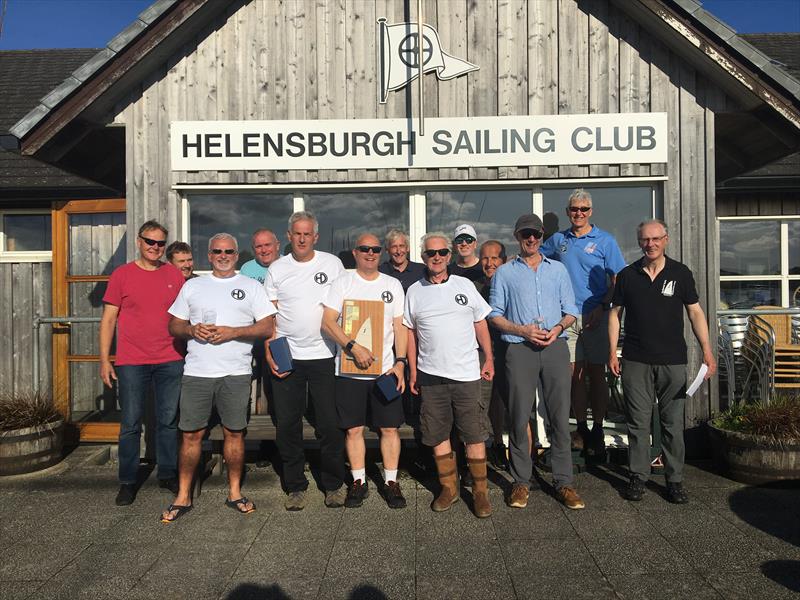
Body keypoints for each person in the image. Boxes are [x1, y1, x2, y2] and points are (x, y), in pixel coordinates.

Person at [160, 233, 276, 523]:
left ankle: (235, 492)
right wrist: (191, 330)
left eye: (229, 251)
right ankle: (183, 495)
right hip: (197, 372)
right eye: (217, 251)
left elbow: (266, 327)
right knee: (191, 434)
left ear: (237, 255)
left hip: (235, 373)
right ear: (209, 255)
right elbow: (174, 324)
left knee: (234, 433)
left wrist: (234, 332)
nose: (223, 255)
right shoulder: (193, 286)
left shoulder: (250, 286)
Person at [608, 219, 716, 504]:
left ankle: (675, 480)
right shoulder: (627, 275)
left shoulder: (680, 273)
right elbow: (614, 315)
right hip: (636, 360)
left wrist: (707, 350)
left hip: (672, 361)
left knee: (671, 425)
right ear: (639, 241)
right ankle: (637, 477)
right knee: (637, 424)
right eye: (645, 239)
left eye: (656, 239)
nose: (651, 244)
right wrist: (611, 352)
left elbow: (695, 313)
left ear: (666, 240)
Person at [489, 214, 585, 510]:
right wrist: (522, 330)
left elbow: (571, 310)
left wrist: (557, 329)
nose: (531, 239)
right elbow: (494, 314)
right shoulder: (504, 273)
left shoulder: (558, 270)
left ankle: (564, 482)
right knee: (519, 416)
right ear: (517, 237)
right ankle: (520, 481)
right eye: (525, 234)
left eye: (536, 234)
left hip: (555, 347)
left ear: (542, 237)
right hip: (519, 349)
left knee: (558, 417)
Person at [405, 232, 495, 518]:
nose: (437, 257)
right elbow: (410, 333)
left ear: (449, 255)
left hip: (467, 374)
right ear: (423, 257)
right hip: (431, 376)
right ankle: (449, 488)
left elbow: (480, 323)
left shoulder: (465, 285)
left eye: (442, 252)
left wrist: (489, 357)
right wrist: (412, 370)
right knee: (438, 434)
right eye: (431, 253)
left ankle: (480, 492)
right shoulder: (414, 291)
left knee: (474, 434)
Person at [265, 210, 348, 511]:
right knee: (287, 424)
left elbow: (344, 308)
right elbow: (269, 316)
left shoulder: (332, 264)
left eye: (307, 234)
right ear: (289, 236)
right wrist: (269, 349)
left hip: (325, 355)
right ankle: (296, 486)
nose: (301, 238)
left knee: (328, 423)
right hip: (288, 355)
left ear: (315, 236)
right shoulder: (277, 268)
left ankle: (333, 485)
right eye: (296, 233)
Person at [99, 220, 184, 506]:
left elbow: (185, 316)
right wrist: (104, 360)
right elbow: (109, 319)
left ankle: (168, 474)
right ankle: (127, 480)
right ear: (139, 241)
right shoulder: (122, 275)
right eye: (150, 242)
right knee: (131, 424)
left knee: (168, 421)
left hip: (170, 358)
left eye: (160, 244)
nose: (155, 248)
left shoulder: (174, 274)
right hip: (132, 361)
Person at [321, 233, 408, 509]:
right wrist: (352, 346)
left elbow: (400, 327)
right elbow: (327, 322)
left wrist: (401, 362)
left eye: (375, 249)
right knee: (353, 429)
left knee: (390, 428)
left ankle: (391, 481)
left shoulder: (392, 284)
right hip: (348, 373)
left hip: (384, 372)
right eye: (364, 249)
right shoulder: (342, 283)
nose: (370, 253)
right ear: (355, 252)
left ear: (380, 253)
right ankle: (358, 482)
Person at [541, 189, 627, 457]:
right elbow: (536, 260)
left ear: (591, 212)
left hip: (597, 316)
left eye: (584, 210)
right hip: (567, 318)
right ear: (568, 212)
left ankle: (598, 428)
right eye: (574, 209)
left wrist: (604, 307)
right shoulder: (558, 240)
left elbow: (618, 279)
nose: (579, 214)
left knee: (596, 375)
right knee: (575, 376)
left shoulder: (605, 241)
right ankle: (580, 428)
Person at [476, 240, 509, 470]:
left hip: (508, 351)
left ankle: (503, 447)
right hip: (480, 355)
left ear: (504, 260)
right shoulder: (474, 288)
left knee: (507, 404)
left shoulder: (511, 283)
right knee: (481, 405)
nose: (490, 263)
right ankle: (482, 455)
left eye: (494, 258)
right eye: (485, 258)